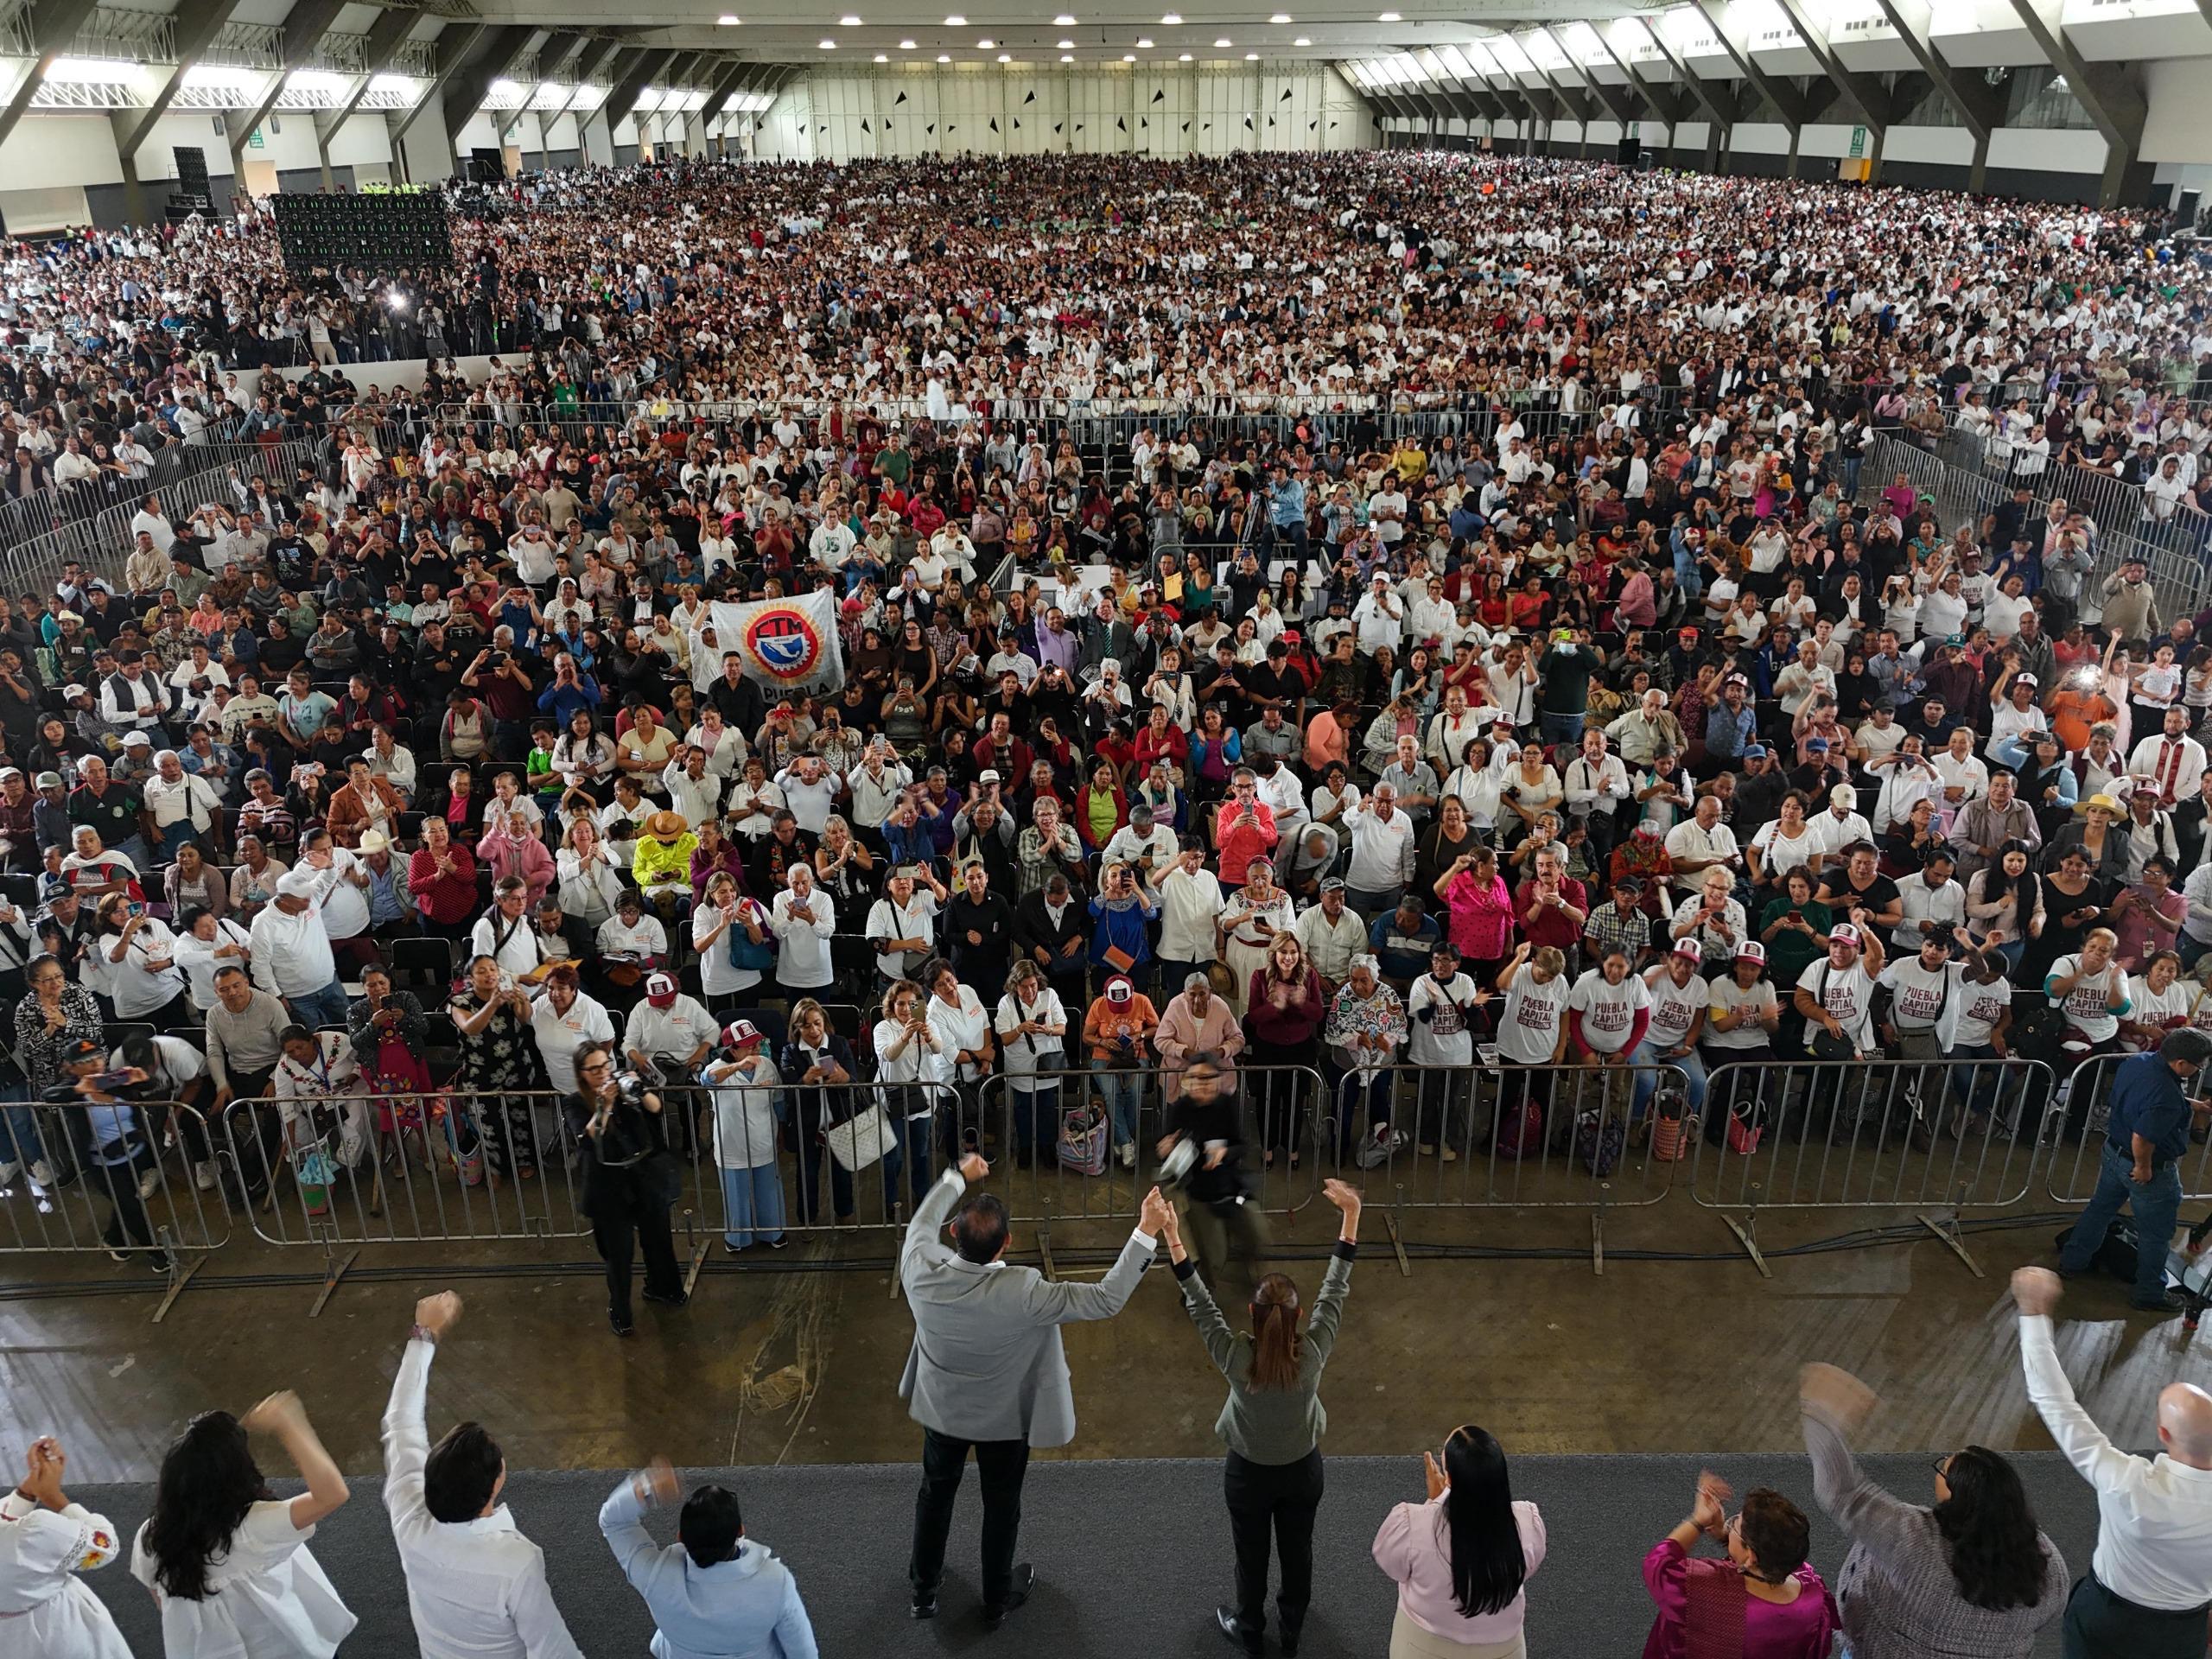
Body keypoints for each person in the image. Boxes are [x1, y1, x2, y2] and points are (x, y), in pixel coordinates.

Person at [900, 1151, 1171, 1628]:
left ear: (952, 1235)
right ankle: (995, 1598)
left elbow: (919, 1223)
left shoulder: (920, 1270)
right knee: (1001, 1507)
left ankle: (924, 1590)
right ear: (1007, 1243)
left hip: (941, 1411)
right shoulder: (1026, 1291)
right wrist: (1146, 1230)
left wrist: (956, 1178)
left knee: (934, 1494)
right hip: (1005, 1423)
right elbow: (1107, 1298)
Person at [1163, 1176, 1362, 1656]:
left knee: (1249, 1558)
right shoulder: (1312, 1354)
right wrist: (1352, 1216)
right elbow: (1336, 1288)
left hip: (1248, 1474)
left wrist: (1172, 1234)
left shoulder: (1236, 1358)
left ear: (1251, 1315)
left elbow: (1200, 1302)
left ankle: (1250, 1627)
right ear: (1299, 1317)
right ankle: (1292, 1628)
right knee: (1299, 1553)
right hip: (1302, 1471)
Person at [1797, 1361, 2065, 1659]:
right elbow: (2049, 1614)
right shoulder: (2048, 1563)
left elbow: (1842, 1491)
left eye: (1944, 1468)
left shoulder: (1913, 1542)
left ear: (1955, 1495)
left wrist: (1820, 1414)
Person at [2011, 1264, 2212, 1658]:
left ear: (2164, 1435)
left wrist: (2034, 1313)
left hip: (2108, 1619)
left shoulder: (2128, 1481)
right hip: (2184, 1629)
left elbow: (2057, 1405)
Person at [382, 1290, 582, 1659]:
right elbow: (551, 1647)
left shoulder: (409, 1515)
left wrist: (423, 1334)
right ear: (496, 1483)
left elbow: (401, 1423)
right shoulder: (517, 1562)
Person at [130, 1389, 357, 1656]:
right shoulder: (254, 1527)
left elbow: (161, 1599)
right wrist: (290, 1425)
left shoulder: (151, 1535)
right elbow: (332, 1494)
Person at [598, 1457, 819, 1659]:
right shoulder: (776, 1582)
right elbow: (803, 1651)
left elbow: (613, 1522)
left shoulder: (654, 1576)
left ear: (681, 1537)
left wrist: (646, 1488)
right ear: (740, 1531)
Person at [2055, 1027, 2212, 1311]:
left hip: (2114, 1152)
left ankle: (2072, 1261)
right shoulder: (2166, 1095)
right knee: (2156, 1234)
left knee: (2099, 1209)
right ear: (2181, 1064)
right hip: (2146, 1168)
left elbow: (2146, 1098)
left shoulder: (2138, 1062)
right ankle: (2150, 1293)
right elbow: (2144, 1136)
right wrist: (2144, 1167)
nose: (2198, 1071)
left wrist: (2193, 1105)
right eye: (2198, 1067)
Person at [1371, 1424, 1547, 1659]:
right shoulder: (1527, 1522)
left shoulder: (1411, 1525)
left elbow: (1392, 1565)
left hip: (1422, 1648)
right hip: (1505, 1650)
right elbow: (1527, 1568)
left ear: (1450, 1478)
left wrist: (1434, 1502)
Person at [1641, 1470, 1839, 1658]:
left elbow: (1659, 1565)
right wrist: (1726, 1538)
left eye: (1735, 1524)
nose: (1729, 1523)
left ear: (1751, 1555)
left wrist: (1698, 1521)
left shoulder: (1705, 1590)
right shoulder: (1814, 1597)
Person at [565, 1041, 688, 1337]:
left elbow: (656, 1109)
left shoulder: (622, 1088)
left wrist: (638, 1089)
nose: (602, 1073)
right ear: (581, 1073)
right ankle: (620, 1311)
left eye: (605, 1065)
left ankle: (664, 1288)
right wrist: (604, 1105)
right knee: (619, 1256)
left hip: (642, 1178)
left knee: (658, 1240)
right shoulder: (574, 1102)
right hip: (607, 1188)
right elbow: (587, 1137)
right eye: (594, 1069)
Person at [0, 1434, 130, 1659]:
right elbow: (104, 1547)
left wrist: (28, 1491)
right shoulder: (38, 1532)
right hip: (59, 1628)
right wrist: (55, 1498)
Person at [702, 1018, 785, 1254]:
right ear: (733, 1049)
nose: (755, 1051)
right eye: (749, 1047)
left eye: (757, 1045)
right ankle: (737, 1239)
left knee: (768, 1192)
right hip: (732, 1147)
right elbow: (706, 1080)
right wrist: (737, 1068)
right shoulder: (716, 1068)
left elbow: (778, 1099)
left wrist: (782, 1132)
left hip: (764, 1140)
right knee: (736, 1197)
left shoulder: (767, 1065)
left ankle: (773, 1233)